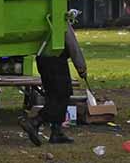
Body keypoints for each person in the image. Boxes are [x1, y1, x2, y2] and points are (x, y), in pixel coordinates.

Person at [19, 17, 87, 145]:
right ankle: (35, 121)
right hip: (56, 59)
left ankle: (57, 132)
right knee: (62, 95)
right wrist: (81, 67)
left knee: (52, 96)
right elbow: (73, 45)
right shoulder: (60, 19)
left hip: (43, 59)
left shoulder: (41, 19)